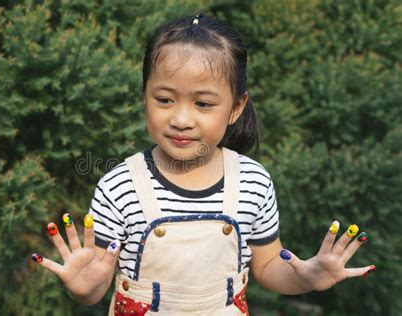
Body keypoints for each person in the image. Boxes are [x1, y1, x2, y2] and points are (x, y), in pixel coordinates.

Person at [31, 13, 375, 315]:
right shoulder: (119, 187)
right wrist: (82, 287)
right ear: (144, 96)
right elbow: (94, 287)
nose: (181, 119)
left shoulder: (253, 181)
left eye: (203, 104)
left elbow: (269, 266)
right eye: (164, 99)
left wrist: (308, 277)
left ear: (236, 107)